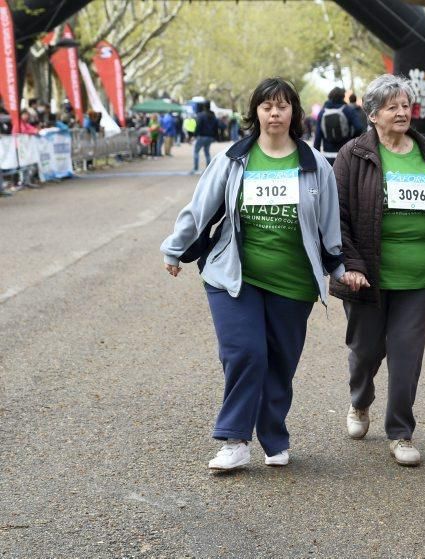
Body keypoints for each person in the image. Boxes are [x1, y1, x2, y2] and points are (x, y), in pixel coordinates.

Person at [160, 77, 345, 471]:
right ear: (255, 113)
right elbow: (200, 208)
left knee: (280, 362)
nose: (274, 113)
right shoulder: (233, 158)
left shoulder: (314, 165)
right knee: (245, 353)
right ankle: (234, 440)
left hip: (294, 282)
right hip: (233, 276)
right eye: (266, 106)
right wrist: (175, 248)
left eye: (281, 106)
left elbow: (331, 225)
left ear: (294, 112)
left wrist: (339, 268)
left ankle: (274, 435)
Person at [331, 74, 425, 467]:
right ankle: (360, 402)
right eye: (392, 106)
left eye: (405, 105)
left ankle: (401, 431)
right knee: (365, 350)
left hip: (420, 276)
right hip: (367, 275)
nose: (402, 112)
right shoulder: (353, 155)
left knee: (407, 354)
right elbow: (336, 217)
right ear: (372, 115)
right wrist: (351, 264)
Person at [314, 86, 364, 165]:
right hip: (345, 153)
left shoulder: (322, 112)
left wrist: (316, 157)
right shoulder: (347, 110)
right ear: (343, 97)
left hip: (328, 155)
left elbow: (317, 136)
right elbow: (359, 127)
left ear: (329, 97)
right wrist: (351, 138)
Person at [193, 103, 218, 172]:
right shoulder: (213, 115)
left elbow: (198, 126)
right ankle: (208, 169)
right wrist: (215, 136)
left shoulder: (201, 115)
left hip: (202, 136)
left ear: (204, 107)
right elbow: (216, 126)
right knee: (207, 152)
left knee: (196, 152)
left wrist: (195, 135)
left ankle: (195, 168)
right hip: (210, 137)